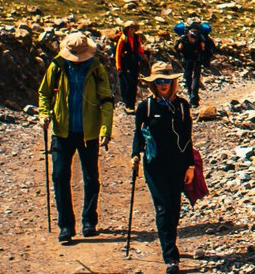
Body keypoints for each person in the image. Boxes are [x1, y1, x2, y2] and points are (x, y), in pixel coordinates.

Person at [38, 31, 115, 244]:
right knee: (60, 175)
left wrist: (105, 130)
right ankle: (66, 226)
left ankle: (89, 221)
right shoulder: (58, 66)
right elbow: (44, 93)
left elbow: (107, 100)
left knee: (91, 177)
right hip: (62, 131)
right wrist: (44, 114)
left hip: (88, 132)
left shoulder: (96, 69)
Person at [132, 62, 194, 274]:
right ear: (153, 83)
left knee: (174, 208)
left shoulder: (183, 106)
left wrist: (191, 165)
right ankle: (171, 257)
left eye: (166, 80)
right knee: (163, 207)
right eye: (159, 81)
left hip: (177, 164)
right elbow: (138, 134)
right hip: (154, 164)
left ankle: (170, 243)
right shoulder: (146, 107)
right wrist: (135, 155)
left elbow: (187, 138)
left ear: (173, 82)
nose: (163, 84)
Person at [174, 21, 215, 108]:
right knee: (192, 77)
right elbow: (177, 48)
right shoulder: (195, 38)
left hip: (192, 59)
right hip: (193, 59)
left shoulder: (192, 38)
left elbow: (177, 48)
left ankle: (192, 96)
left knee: (192, 77)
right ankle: (193, 97)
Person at [115, 22, 147, 111]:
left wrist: (143, 56)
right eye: (130, 28)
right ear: (127, 29)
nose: (132, 30)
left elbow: (139, 49)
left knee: (133, 84)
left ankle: (132, 105)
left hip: (134, 63)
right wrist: (118, 66)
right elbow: (118, 53)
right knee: (127, 84)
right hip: (125, 64)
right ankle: (127, 104)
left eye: (133, 28)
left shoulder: (136, 38)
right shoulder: (123, 39)